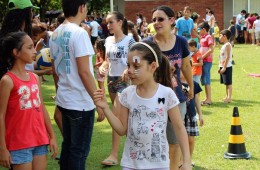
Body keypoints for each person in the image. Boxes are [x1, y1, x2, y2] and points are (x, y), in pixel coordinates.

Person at [94, 40, 192, 170]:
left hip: (159, 165)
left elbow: (179, 128)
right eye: (128, 66)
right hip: (131, 164)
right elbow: (122, 130)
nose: (130, 71)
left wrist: (186, 161)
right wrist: (106, 108)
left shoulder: (166, 94)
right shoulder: (127, 94)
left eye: (136, 66)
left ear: (152, 66)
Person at [49, 0, 105, 169]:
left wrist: (60, 93)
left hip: (65, 99)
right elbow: (84, 72)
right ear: (82, 7)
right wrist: (98, 101)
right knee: (78, 152)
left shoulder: (55, 33)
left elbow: (55, 70)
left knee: (69, 148)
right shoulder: (79, 33)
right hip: (79, 102)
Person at [0, 32, 58, 169]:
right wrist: (2, 147)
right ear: (16, 52)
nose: (34, 51)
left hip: (40, 140)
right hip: (19, 143)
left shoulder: (34, 78)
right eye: (30, 47)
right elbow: (1, 115)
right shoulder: (7, 80)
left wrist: (52, 135)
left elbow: (42, 108)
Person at [146, 5, 194, 170]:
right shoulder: (147, 44)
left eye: (161, 19)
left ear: (172, 20)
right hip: (152, 99)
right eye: (154, 20)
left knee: (174, 141)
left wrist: (192, 87)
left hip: (176, 98)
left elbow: (187, 66)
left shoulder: (180, 41)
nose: (156, 23)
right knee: (153, 140)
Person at [98, 11, 135, 166]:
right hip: (112, 81)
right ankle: (133, 150)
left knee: (116, 115)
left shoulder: (129, 40)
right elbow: (107, 60)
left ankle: (113, 155)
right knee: (124, 119)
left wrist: (129, 68)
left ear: (120, 22)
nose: (108, 25)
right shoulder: (108, 40)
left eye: (111, 22)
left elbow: (136, 59)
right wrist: (103, 66)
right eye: (107, 23)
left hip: (125, 82)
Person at [180, 72, 204, 167]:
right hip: (180, 116)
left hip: (191, 115)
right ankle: (180, 161)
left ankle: (189, 160)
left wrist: (200, 115)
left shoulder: (194, 84)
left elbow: (197, 100)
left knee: (191, 140)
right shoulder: (175, 85)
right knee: (180, 140)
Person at [198, 22, 214, 106]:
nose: (198, 31)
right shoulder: (201, 37)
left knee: (206, 79)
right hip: (203, 61)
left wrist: (202, 57)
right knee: (203, 79)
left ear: (204, 29)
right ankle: (206, 98)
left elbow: (211, 49)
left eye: (199, 29)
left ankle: (209, 99)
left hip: (207, 61)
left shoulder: (208, 37)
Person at [218, 29, 233, 103]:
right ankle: (227, 96)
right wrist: (220, 66)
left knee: (228, 83)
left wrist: (224, 67)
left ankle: (229, 98)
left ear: (225, 36)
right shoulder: (224, 45)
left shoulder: (227, 45)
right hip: (223, 65)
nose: (219, 37)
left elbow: (227, 57)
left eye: (220, 35)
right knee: (226, 83)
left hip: (227, 66)